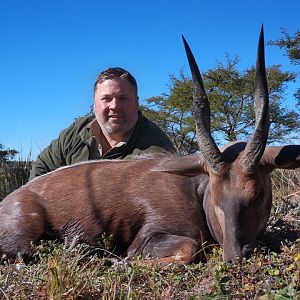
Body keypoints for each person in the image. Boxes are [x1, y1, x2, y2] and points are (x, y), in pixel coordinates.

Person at [29, 67, 175, 180]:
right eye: (106, 98)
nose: (115, 106)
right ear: (94, 104)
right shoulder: (77, 131)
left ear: (136, 103)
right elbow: (42, 167)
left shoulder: (158, 153)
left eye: (123, 98)